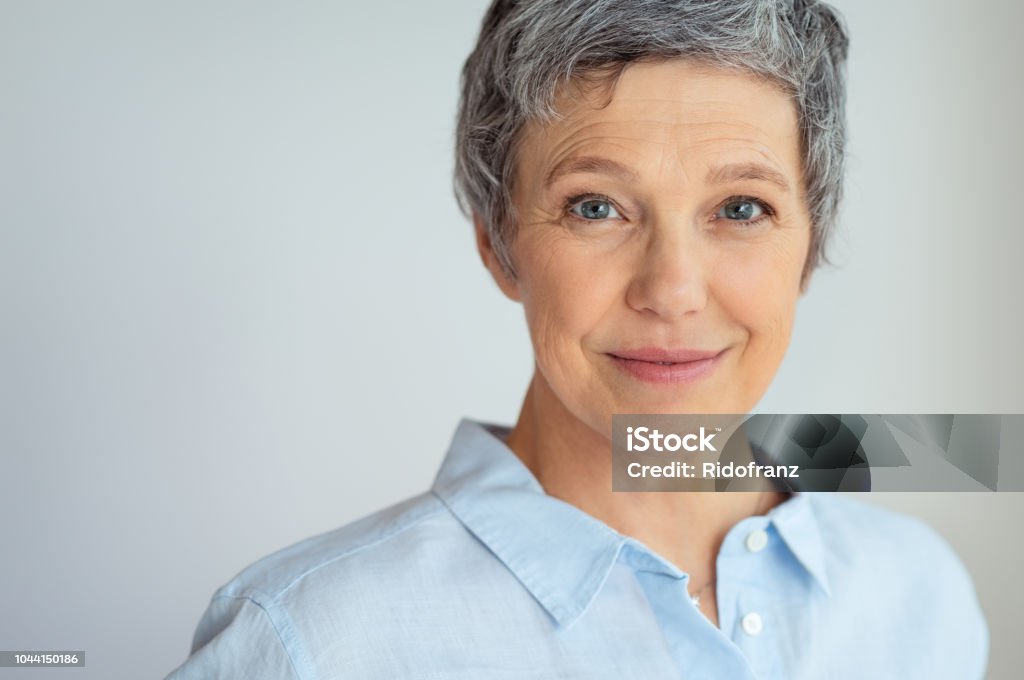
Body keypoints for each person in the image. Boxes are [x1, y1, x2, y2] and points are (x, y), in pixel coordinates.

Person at [166, 1, 988, 677]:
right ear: (498, 241)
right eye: (596, 206)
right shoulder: (309, 643)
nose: (670, 290)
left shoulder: (918, 596)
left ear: (812, 241)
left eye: (742, 208)